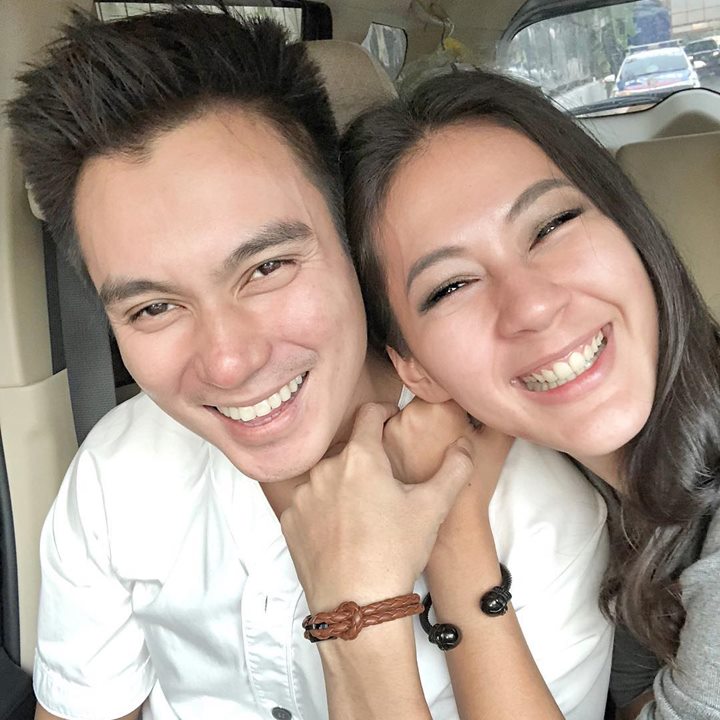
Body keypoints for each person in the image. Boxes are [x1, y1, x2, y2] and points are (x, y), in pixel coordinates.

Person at [7, 8, 613, 720]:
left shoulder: (538, 520)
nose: (228, 363)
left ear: (353, 236)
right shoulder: (117, 475)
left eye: (267, 267)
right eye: (154, 308)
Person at [334, 69, 720, 718]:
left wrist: (454, 535)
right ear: (416, 371)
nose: (533, 306)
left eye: (552, 225)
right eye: (451, 286)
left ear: (631, 228)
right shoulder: (605, 511)